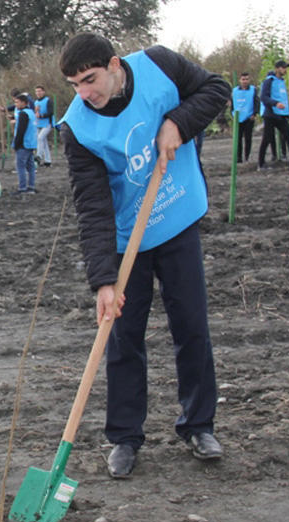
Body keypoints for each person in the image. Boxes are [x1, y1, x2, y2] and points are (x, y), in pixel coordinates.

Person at [58, 32, 227, 479]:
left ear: (114, 65)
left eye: (90, 80)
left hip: (175, 217)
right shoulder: (78, 129)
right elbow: (91, 208)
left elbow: (215, 89)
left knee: (191, 324)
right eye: (75, 85)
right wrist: (104, 281)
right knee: (122, 335)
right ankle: (125, 437)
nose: (84, 93)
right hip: (125, 238)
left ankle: (198, 424)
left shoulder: (159, 65)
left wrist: (178, 122)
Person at [258, 60, 289, 171]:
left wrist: (288, 112)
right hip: (271, 114)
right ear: (277, 68)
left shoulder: (281, 82)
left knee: (288, 136)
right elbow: (263, 97)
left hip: (281, 114)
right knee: (267, 138)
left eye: (285, 68)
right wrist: (275, 103)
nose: (285, 70)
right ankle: (261, 164)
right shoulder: (269, 81)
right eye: (283, 68)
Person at [12, 92, 38, 194]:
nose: (16, 105)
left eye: (17, 102)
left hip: (24, 144)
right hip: (31, 143)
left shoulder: (23, 114)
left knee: (21, 166)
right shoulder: (31, 113)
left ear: (24, 103)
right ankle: (31, 187)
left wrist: (16, 144)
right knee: (31, 167)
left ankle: (22, 188)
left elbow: (21, 131)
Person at [231, 73, 257, 163]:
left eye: (246, 79)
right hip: (238, 118)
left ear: (249, 80)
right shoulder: (234, 91)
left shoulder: (253, 90)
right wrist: (232, 114)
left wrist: (254, 114)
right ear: (240, 80)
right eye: (243, 79)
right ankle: (238, 157)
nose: (245, 81)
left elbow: (256, 102)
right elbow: (232, 103)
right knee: (238, 139)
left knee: (248, 138)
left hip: (249, 118)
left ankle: (247, 156)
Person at [33, 85, 56, 165]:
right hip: (39, 124)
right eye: (36, 91)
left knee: (40, 138)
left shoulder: (48, 100)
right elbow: (35, 113)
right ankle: (48, 160)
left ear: (43, 92)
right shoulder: (35, 102)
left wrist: (42, 116)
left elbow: (51, 112)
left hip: (47, 123)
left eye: (39, 91)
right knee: (44, 142)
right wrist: (35, 113)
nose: (38, 93)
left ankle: (38, 156)